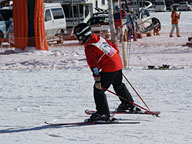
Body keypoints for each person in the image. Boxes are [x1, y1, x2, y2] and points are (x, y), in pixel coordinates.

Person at [73, 23, 141, 122]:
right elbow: (114, 47)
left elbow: (93, 65)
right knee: (118, 84)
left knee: (98, 90)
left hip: (110, 67)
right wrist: (114, 61)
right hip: (117, 62)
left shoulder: (90, 47)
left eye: (78, 37)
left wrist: (97, 78)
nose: (78, 39)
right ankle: (128, 104)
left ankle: (103, 114)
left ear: (83, 35)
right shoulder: (99, 38)